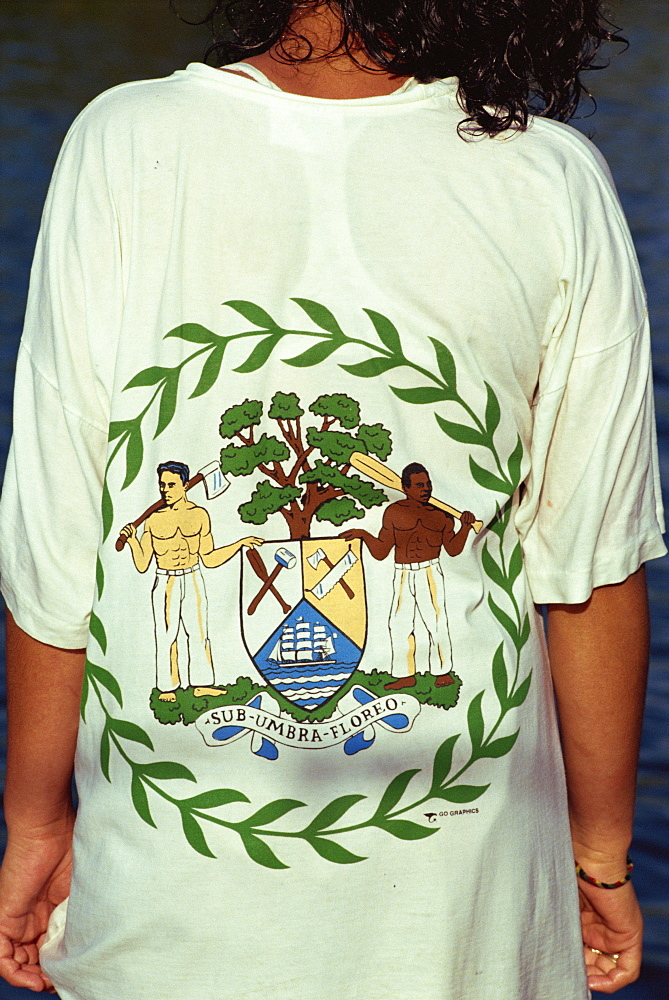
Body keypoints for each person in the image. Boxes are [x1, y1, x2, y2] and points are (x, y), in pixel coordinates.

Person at [0, 2, 665, 998]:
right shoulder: (551, 178)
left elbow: (56, 555)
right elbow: (589, 575)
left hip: (169, 913)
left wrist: (36, 824)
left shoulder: (123, 141)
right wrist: (599, 855)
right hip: (468, 912)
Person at [120, 461, 263, 700]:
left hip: (193, 577)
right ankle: (168, 688)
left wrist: (238, 544)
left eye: (171, 485)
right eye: (162, 485)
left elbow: (209, 558)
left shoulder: (199, 515)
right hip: (165, 581)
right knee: (166, 635)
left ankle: (202, 683)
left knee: (198, 632)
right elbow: (143, 564)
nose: (165, 490)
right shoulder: (153, 520)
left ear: (185, 485)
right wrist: (133, 540)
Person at [342, 462, 476, 689]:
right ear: (405, 487)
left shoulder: (442, 516)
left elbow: (453, 549)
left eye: (428, 484)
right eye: (419, 485)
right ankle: (405, 675)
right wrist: (364, 534)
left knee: (436, 621)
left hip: (430, 571)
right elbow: (382, 551)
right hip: (403, 573)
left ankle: (442, 672)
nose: (426, 489)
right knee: (399, 623)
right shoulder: (394, 512)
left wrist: (464, 527)